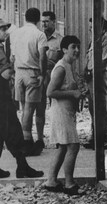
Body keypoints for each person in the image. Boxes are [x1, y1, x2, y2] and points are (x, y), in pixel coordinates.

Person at [0, 19, 44, 179]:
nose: (5, 33)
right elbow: (4, 73)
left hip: (3, 96)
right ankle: (22, 168)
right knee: (14, 131)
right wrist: (12, 68)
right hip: (2, 98)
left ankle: (22, 167)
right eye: (3, 29)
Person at [44, 35, 84, 195]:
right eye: (73, 47)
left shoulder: (68, 66)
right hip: (60, 112)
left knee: (62, 147)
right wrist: (73, 93)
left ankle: (51, 181)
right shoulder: (61, 67)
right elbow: (50, 92)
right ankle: (69, 183)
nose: (77, 50)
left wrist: (77, 94)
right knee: (73, 146)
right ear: (64, 49)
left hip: (67, 112)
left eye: (78, 47)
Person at [10, 8, 48, 156]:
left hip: (19, 72)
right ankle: (26, 141)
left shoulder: (16, 33)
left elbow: (12, 56)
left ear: (25, 17)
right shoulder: (39, 34)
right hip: (32, 72)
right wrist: (42, 74)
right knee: (29, 109)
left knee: (24, 107)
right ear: (38, 19)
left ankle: (27, 138)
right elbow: (43, 57)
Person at [30, 11, 63, 156]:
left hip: (55, 76)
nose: (44, 24)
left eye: (47, 21)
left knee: (57, 108)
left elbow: (64, 60)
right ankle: (40, 138)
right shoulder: (38, 37)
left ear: (54, 22)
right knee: (40, 107)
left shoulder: (60, 40)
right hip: (41, 76)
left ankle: (59, 138)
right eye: (42, 21)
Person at [84, 18, 107, 150]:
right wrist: (86, 71)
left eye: (93, 27)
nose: (91, 29)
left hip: (101, 76)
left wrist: (91, 71)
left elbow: (103, 61)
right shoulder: (93, 42)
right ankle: (96, 136)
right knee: (93, 107)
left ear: (103, 29)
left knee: (102, 107)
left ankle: (105, 137)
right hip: (92, 77)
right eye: (90, 26)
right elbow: (89, 59)